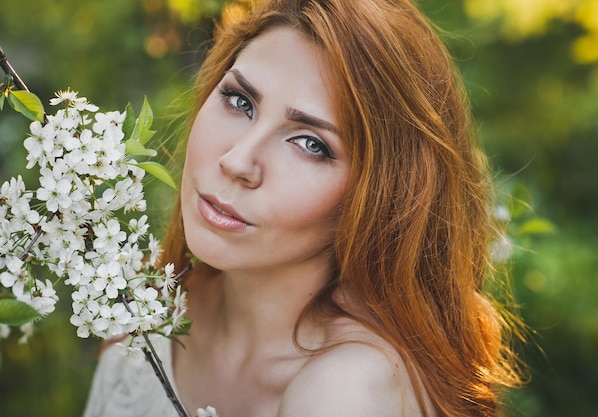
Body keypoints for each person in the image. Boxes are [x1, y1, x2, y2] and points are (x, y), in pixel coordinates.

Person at [83, 0, 525, 416]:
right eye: (240, 101)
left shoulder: (346, 390)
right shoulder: (150, 299)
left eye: (311, 144)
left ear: (383, 194)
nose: (238, 161)